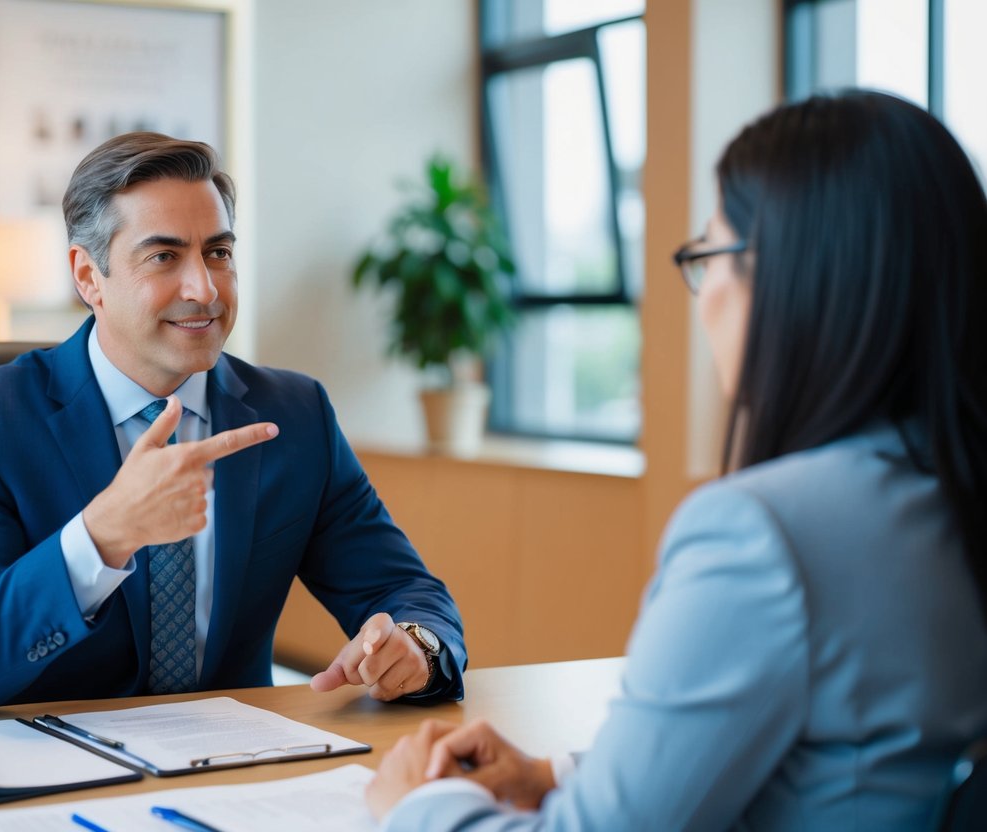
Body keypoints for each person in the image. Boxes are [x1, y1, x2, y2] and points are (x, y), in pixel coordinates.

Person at [367, 90, 987, 829]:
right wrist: (552, 772)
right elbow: (830, 750)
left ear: (792, 274)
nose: (700, 297)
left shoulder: (762, 533)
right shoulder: (945, 491)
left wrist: (419, 804)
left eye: (707, 254)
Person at [0, 134, 466, 716]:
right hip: (54, 771)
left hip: (235, 770)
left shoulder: (295, 414)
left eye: (219, 254)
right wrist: (102, 535)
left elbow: (405, 591)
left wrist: (416, 647)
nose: (204, 289)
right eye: (164, 257)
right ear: (88, 277)